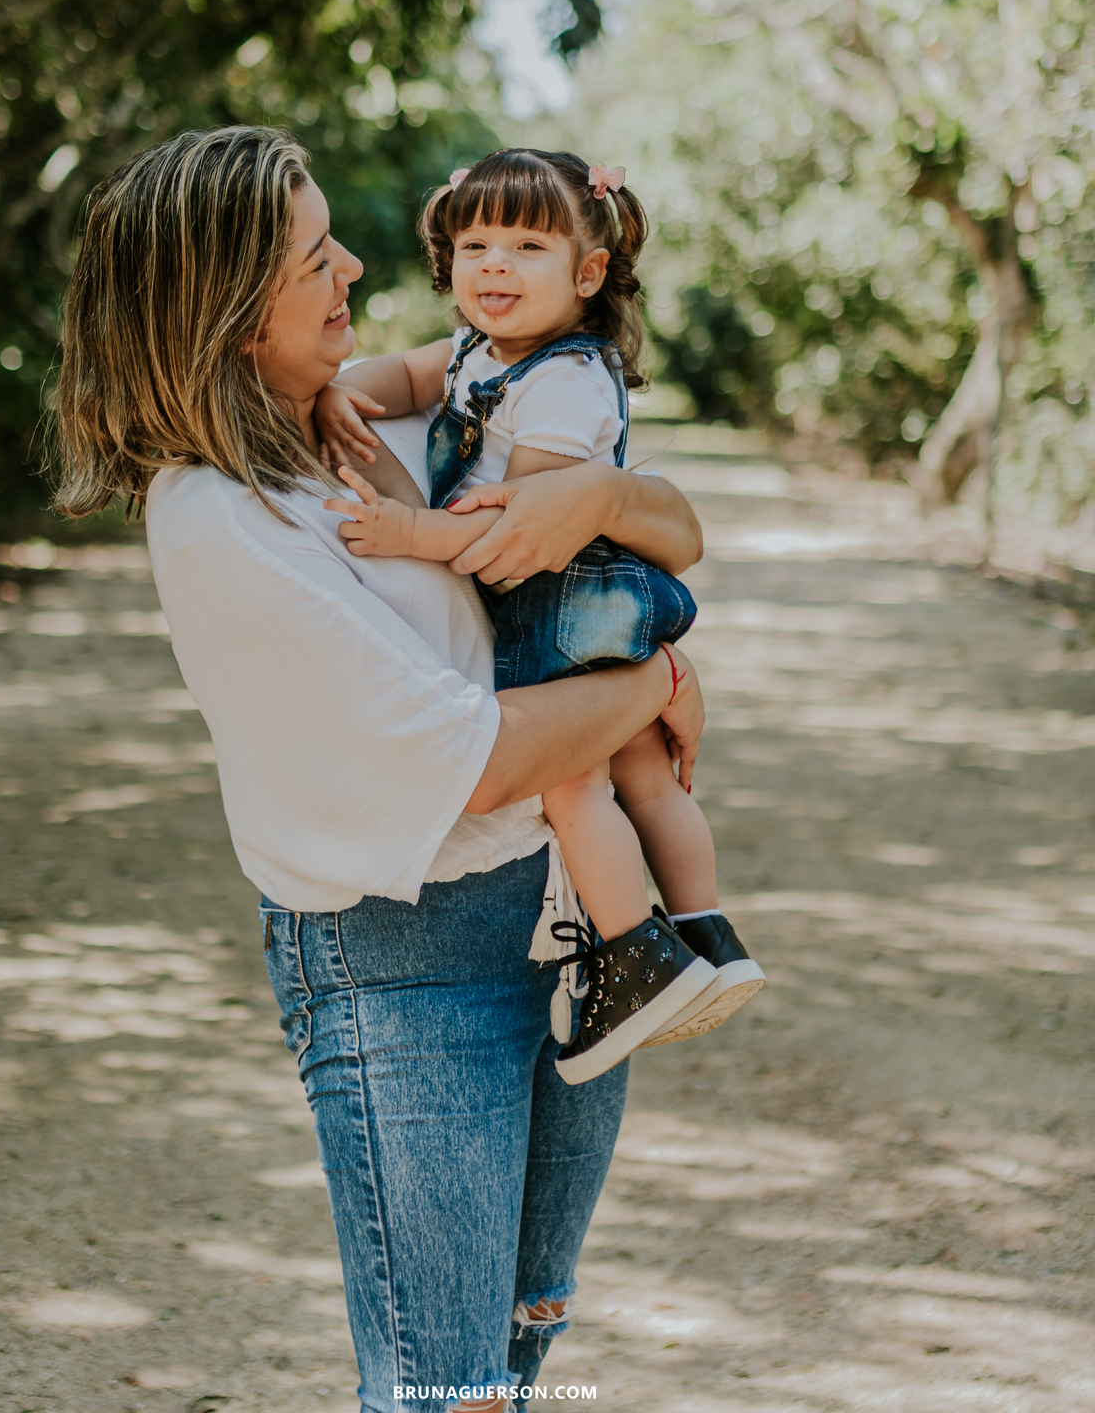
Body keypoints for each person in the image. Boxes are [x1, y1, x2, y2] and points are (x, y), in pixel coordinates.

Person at [51, 125, 708, 1411]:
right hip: (406, 967)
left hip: (555, 919)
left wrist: (599, 507)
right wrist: (659, 682)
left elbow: (675, 532)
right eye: (313, 258)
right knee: (444, 1390)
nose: (354, 264)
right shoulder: (217, 520)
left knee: (519, 1353)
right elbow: (481, 758)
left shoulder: (362, 435)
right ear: (233, 312)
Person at [314, 149, 764, 1083]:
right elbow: (401, 377)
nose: (493, 266)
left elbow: (516, 535)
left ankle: (634, 953)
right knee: (647, 775)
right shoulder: (482, 352)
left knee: (574, 785)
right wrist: (336, 392)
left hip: (563, 600)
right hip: (593, 597)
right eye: (474, 243)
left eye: (526, 245)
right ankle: (707, 936)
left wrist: (405, 530)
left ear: (588, 273)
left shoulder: (563, 380)